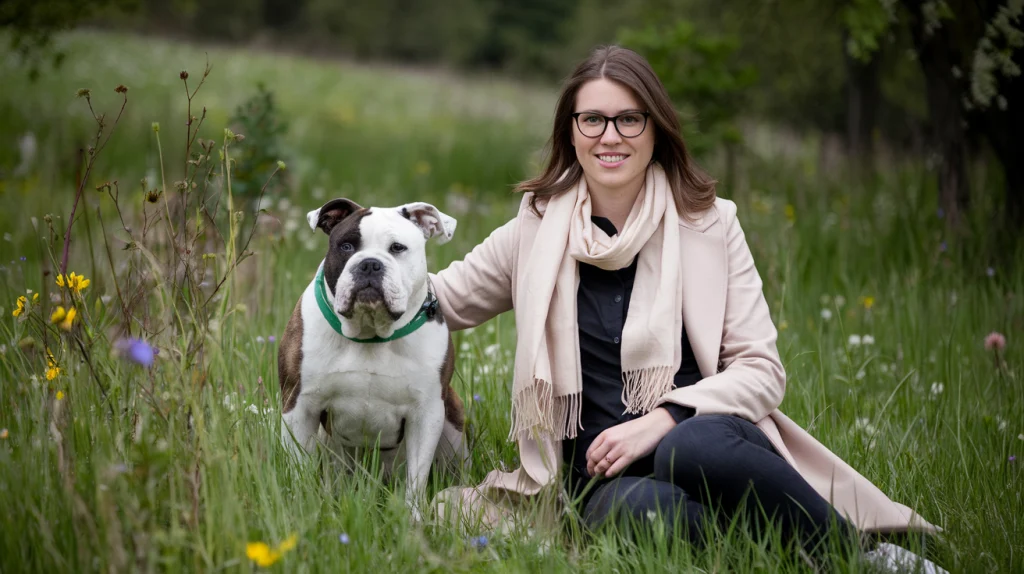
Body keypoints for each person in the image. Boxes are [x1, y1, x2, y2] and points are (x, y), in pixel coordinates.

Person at [429, 45, 944, 571]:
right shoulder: (534, 231)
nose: (610, 136)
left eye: (630, 119)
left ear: (656, 129)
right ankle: (781, 545)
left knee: (690, 445)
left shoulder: (710, 225)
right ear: (571, 132)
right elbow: (435, 301)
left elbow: (762, 370)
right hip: (607, 481)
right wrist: (360, 268)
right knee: (647, 514)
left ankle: (863, 558)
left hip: (710, 447)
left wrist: (664, 418)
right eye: (593, 120)